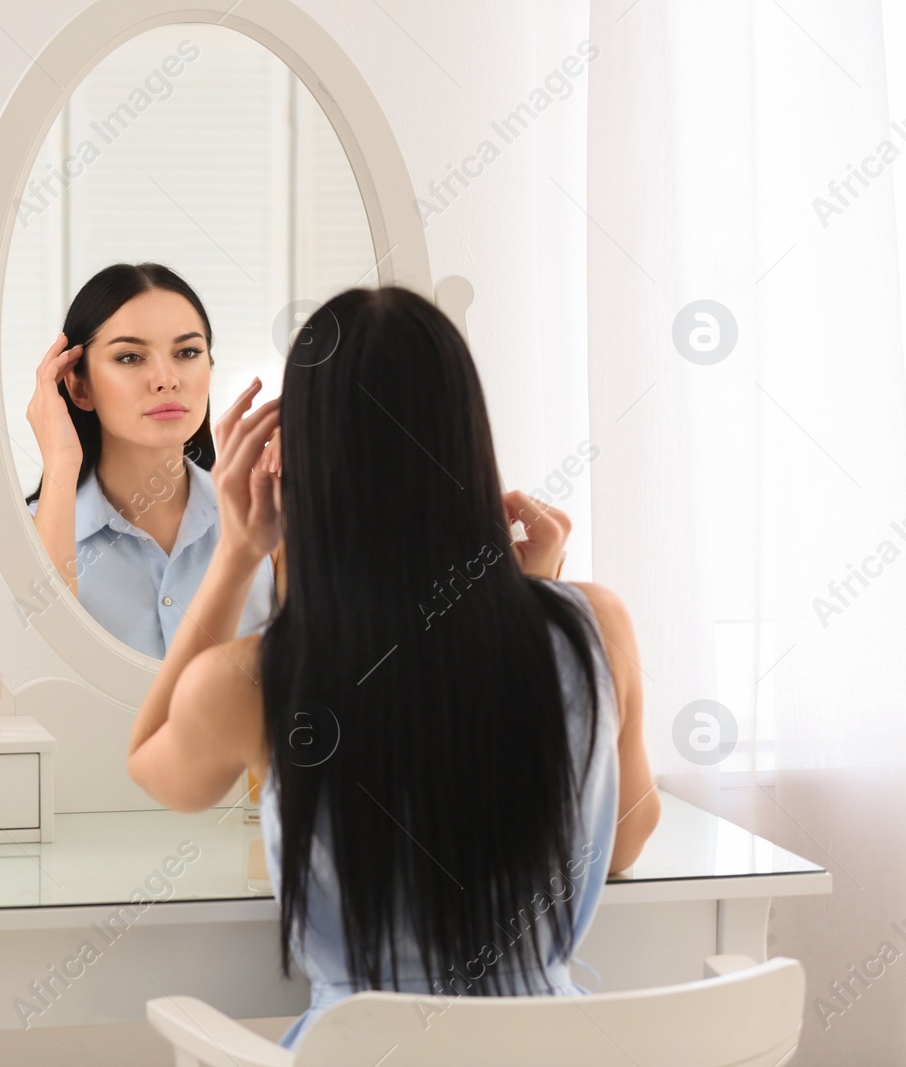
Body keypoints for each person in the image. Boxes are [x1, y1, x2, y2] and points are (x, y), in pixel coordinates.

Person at [125, 286, 661, 1051]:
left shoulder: (254, 681)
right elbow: (627, 839)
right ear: (471, 442)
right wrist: (533, 598)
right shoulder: (597, 625)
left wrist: (237, 551)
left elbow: (152, 763)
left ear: (296, 467)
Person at [25, 262, 274, 658]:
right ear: (78, 385)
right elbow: (38, 665)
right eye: (130, 357)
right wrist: (60, 461)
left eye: (188, 352)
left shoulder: (267, 520)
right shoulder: (29, 535)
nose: (166, 379)